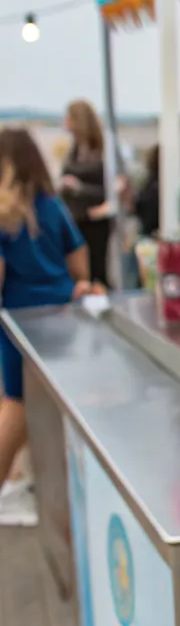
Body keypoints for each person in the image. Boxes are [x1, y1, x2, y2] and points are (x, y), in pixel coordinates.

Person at [0, 129, 92, 495]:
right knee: (53, 407)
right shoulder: (52, 206)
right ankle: (49, 487)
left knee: (17, 406)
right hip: (61, 316)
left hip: (18, 323)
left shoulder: (6, 214)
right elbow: (79, 261)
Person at [60, 99, 109, 285]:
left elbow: (108, 192)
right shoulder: (73, 151)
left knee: (95, 270)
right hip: (74, 219)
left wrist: (79, 188)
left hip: (95, 221)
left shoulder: (101, 153)